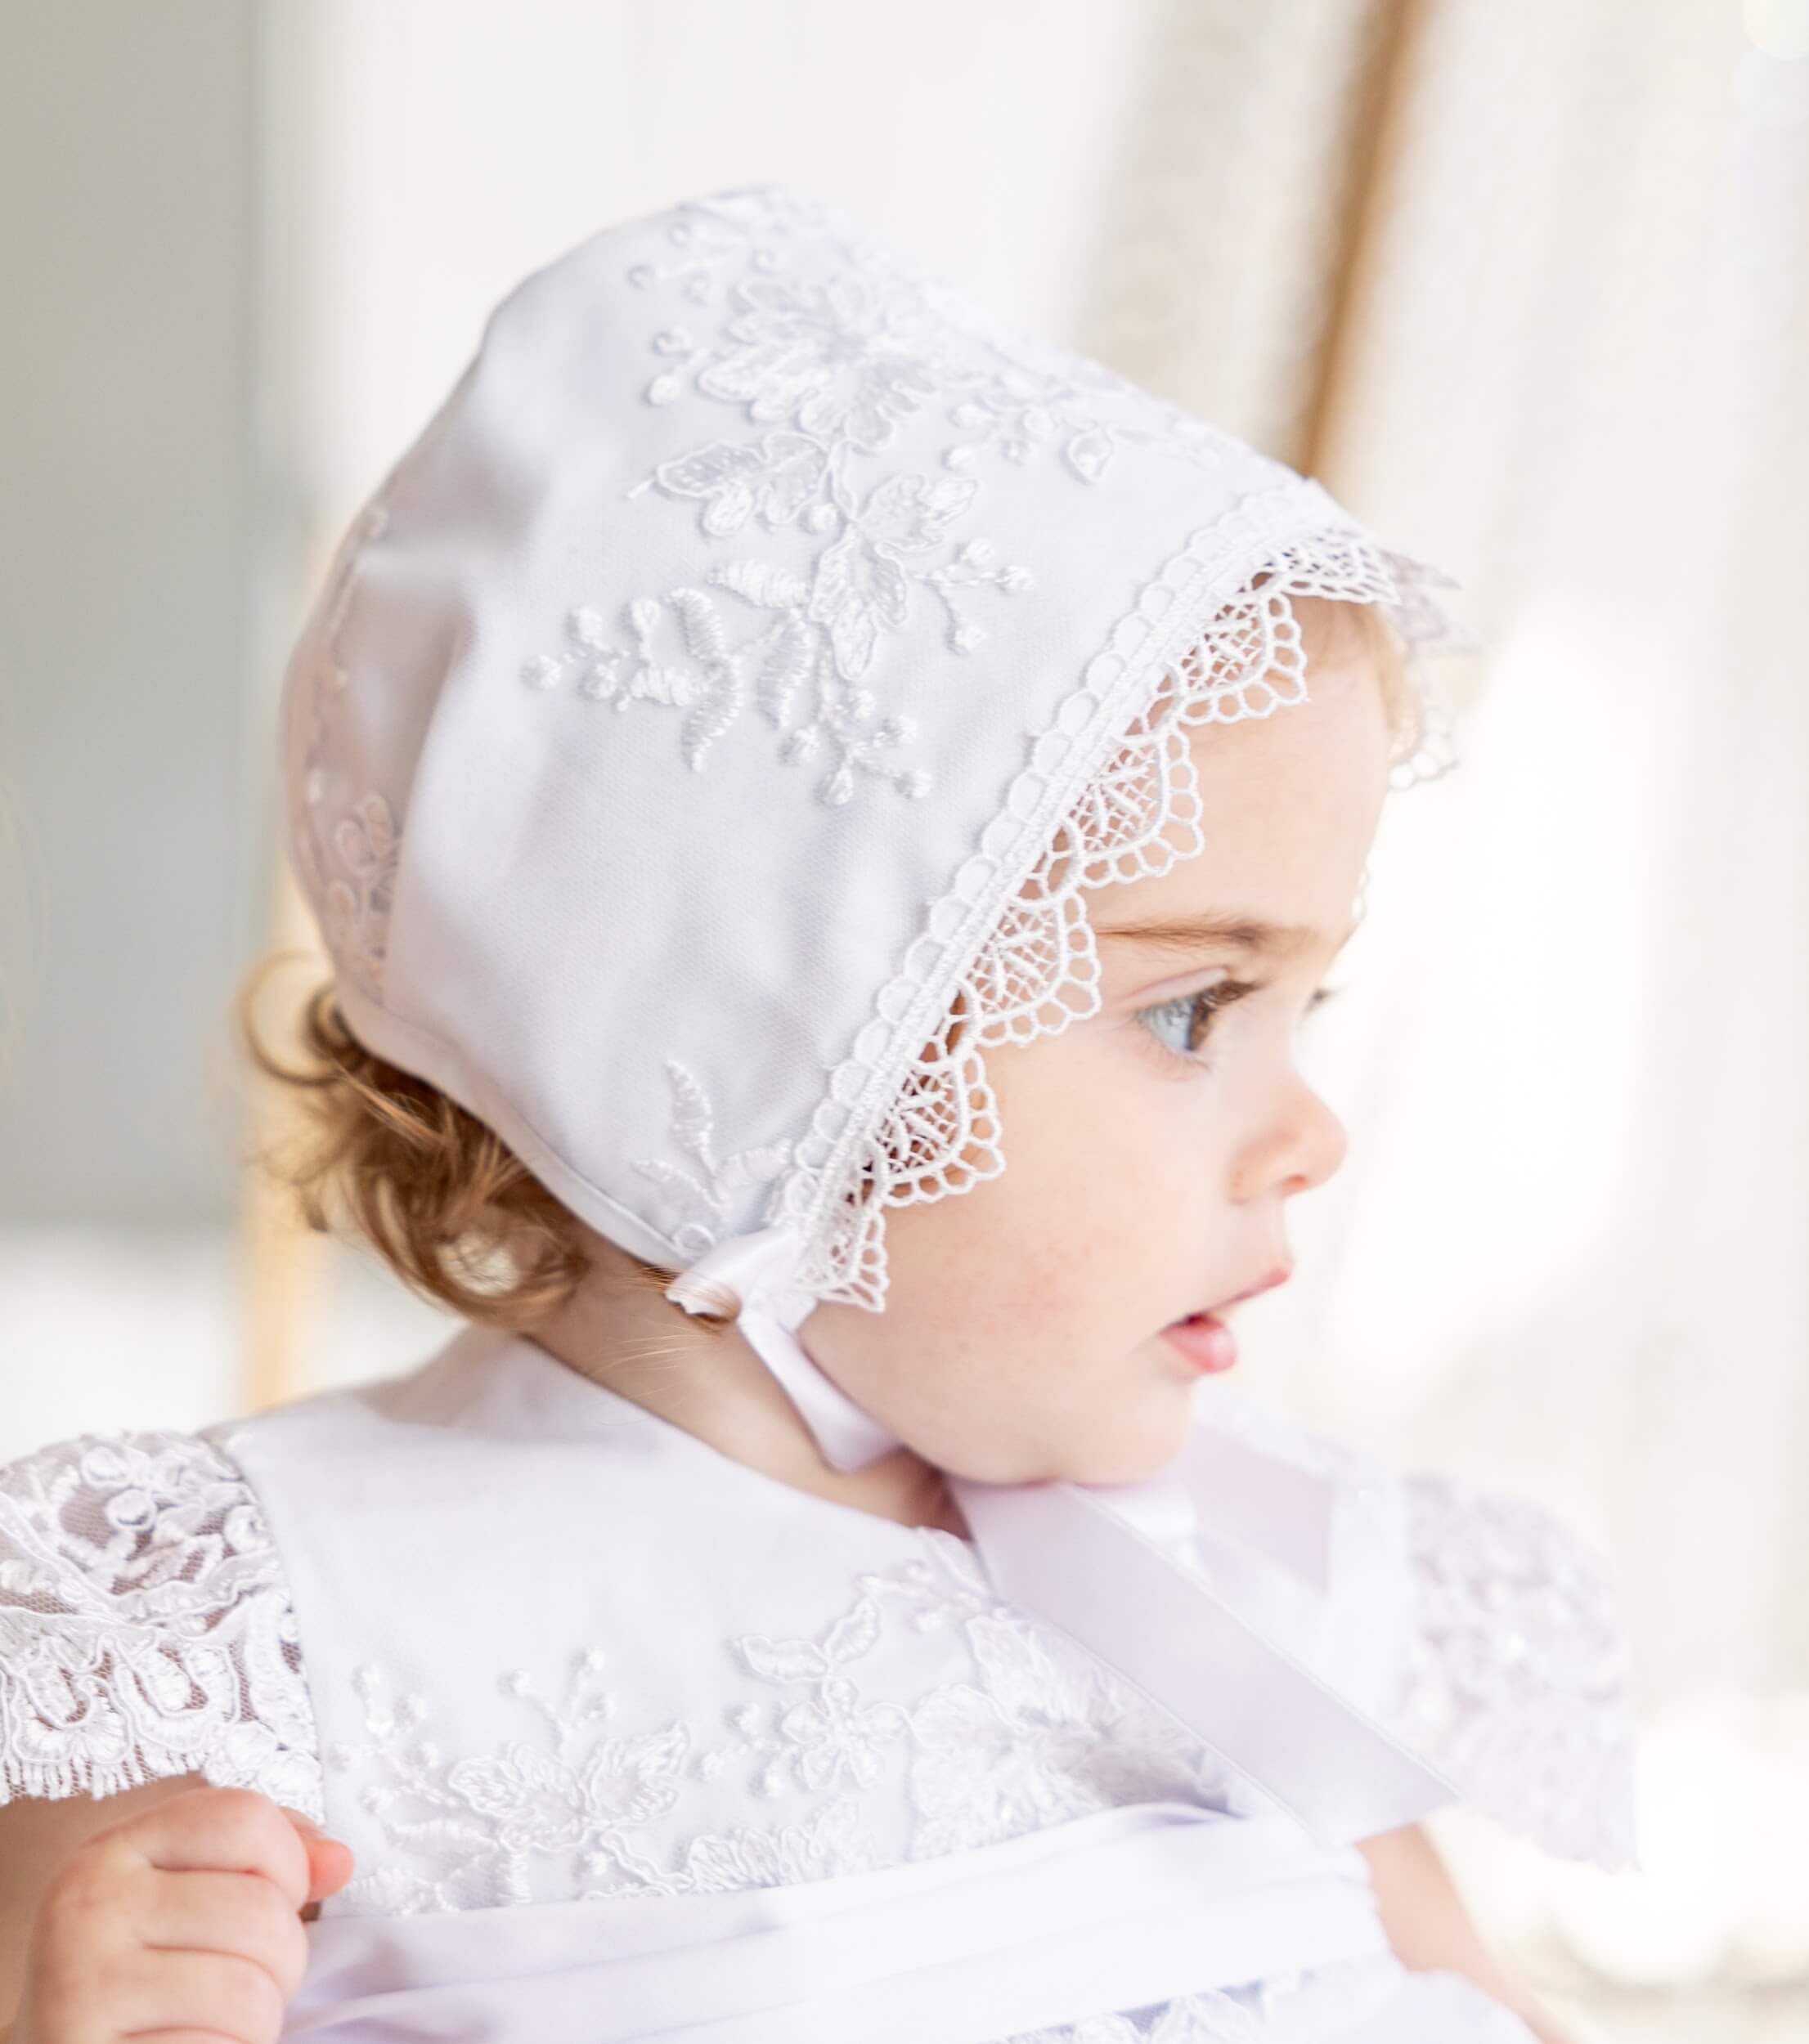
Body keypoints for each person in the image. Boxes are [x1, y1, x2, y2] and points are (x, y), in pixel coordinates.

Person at [0, 184, 1635, 2044]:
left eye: (1301, 1003)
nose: (1309, 1131)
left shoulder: (1235, 1594)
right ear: (762, 1045)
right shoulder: (242, 1639)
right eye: (1191, 1008)